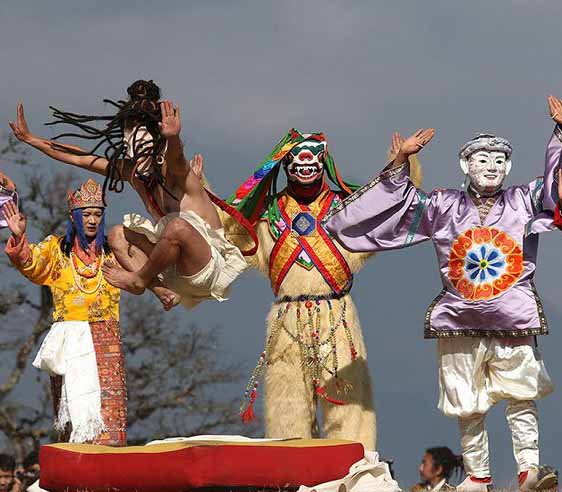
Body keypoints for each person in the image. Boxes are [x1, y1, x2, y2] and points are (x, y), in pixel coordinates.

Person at [324, 96, 562, 491]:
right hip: (459, 317)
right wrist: (400, 162)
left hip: (512, 314)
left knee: (522, 394)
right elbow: (397, 208)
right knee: (465, 401)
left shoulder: (524, 200)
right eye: (482, 160)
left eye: (499, 161)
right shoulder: (442, 205)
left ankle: (530, 470)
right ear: (464, 166)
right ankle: (478, 475)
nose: (491, 167)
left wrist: (561, 134)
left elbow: (559, 192)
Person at [215, 128, 421, 450]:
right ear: (286, 166)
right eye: (297, 161)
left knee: (348, 402)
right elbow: (229, 234)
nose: (306, 167)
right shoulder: (268, 212)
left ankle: (354, 471)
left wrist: (400, 160)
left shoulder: (346, 208)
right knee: (287, 406)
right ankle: (289, 476)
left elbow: (387, 207)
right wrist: (193, 186)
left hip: (336, 314)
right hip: (286, 319)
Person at [9, 80, 250, 311]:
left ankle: (138, 280)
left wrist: (173, 137)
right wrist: (32, 140)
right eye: (130, 149)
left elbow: (176, 158)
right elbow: (79, 157)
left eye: (142, 149)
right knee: (117, 235)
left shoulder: (176, 173)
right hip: (174, 272)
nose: (135, 157)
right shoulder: (132, 173)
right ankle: (162, 291)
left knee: (177, 226)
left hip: (206, 267)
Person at [3, 179, 126, 446]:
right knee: (71, 415)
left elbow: (141, 273)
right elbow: (32, 265)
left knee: (110, 419)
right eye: (87, 214)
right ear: (74, 216)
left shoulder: (113, 253)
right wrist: (18, 236)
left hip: (106, 339)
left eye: (97, 214)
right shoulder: (57, 249)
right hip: (69, 339)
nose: (92, 220)